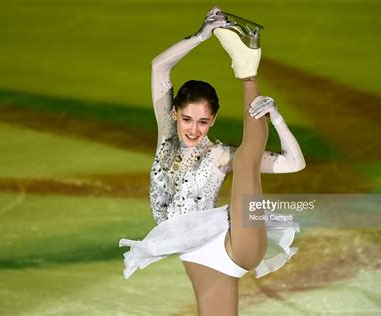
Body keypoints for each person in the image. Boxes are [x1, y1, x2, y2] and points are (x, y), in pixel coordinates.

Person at [119, 7, 305, 314]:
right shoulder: (166, 133)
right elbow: (159, 68)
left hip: (237, 245)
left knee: (245, 159)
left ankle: (247, 72)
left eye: (203, 122)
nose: (193, 129)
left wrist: (278, 118)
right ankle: (246, 62)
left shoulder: (220, 154)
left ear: (213, 120)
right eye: (188, 119)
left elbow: (294, 163)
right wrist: (201, 35)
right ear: (175, 113)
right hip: (202, 259)